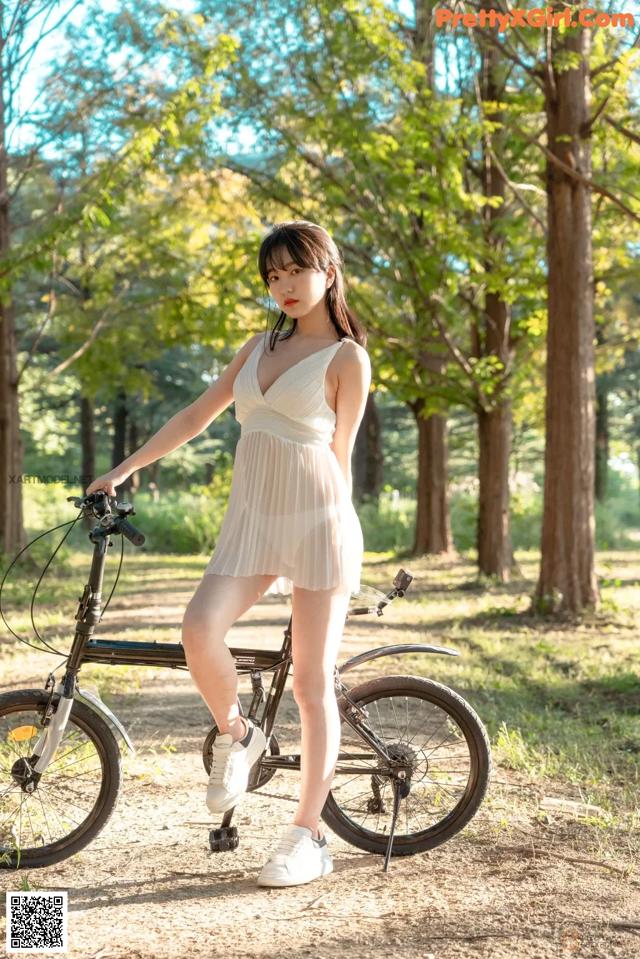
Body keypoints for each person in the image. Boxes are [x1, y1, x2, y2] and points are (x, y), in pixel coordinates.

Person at [85, 220, 371, 887]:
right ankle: (238, 734)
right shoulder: (256, 347)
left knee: (309, 679)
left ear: (327, 270)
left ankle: (308, 834)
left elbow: (342, 456)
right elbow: (195, 415)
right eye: (273, 277)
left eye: (295, 271)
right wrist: (122, 470)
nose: (284, 287)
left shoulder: (347, 359)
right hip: (253, 519)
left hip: (317, 518)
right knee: (198, 627)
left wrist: (342, 538)